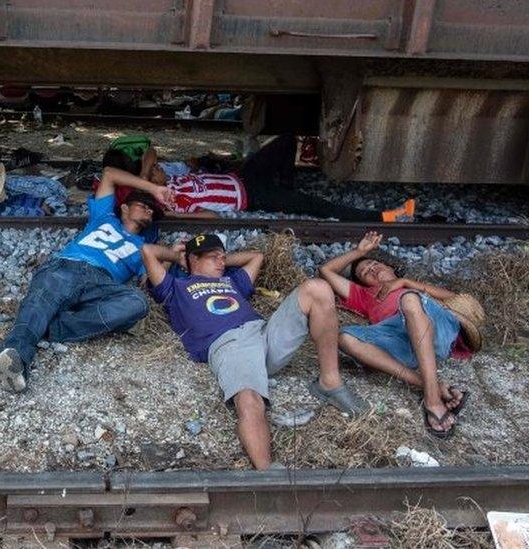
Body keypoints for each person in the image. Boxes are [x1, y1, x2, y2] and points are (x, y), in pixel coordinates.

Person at [142, 234, 368, 469]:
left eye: (223, 257)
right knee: (249, 399)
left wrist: (221, 260)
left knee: (318, 288)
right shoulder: (174, 288)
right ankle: (267, 471)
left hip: (262, 333)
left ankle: (329, 381)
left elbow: (256, 256)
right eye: (213, 258)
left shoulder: (232, 282)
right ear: (193, 259)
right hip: (230, 344)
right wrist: (179, 257)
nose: (221, 263)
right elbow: (148, 250)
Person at [0, 167, 179, 393]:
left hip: (102, 283)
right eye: (143, 205)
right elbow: (110, 173)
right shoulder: (104, 217)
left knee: (137, 303)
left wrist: (172, 257)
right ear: (124, 208)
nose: (149, 210)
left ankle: (52, 328)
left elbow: (148, 284)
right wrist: (154, 189)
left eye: (152, 209)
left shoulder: (144, 248)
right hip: (66, 266)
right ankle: (15, 361)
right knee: (41, 299)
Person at [317, 231, 482, 438]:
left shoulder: (411, 286)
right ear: (362, 283)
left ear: (390, 266)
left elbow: (456, 298)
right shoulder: (363, 295)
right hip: (402, 345)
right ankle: (432, 385)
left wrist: (405, 283)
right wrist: (359, 251)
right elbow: (325, 270)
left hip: (436, 333)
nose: (372, 269)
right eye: (364, 272)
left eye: (375, 264)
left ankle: (431, 399)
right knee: (344, 338)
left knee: (410, 300)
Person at [101, 135, 416, 222]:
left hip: (244, 177)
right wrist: (170, 207)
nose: (163, 169)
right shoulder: (169, 200)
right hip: (252, 196)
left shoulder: (170, 181)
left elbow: (165, 162)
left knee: (285, 141)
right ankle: (385, 215)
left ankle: (286, 186)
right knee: (316, 206)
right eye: (155, 168)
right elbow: (208, 215)